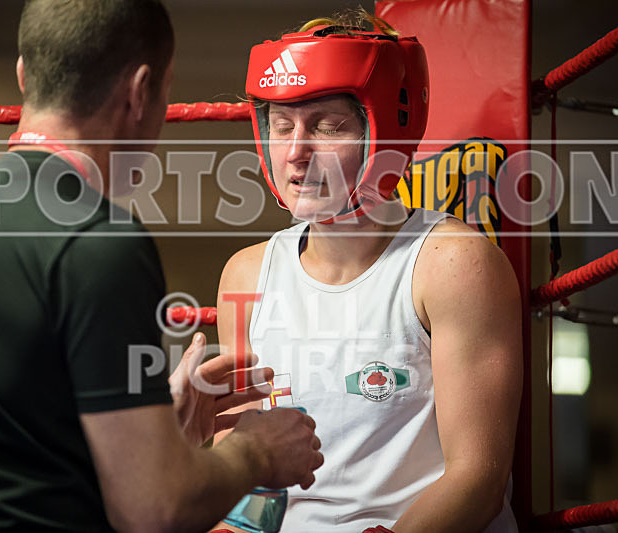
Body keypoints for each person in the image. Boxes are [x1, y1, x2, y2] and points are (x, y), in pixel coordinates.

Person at [0, 1, 323, 531]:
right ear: (139, 92)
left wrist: (162, 434)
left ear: (24, 76)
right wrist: (256, 451)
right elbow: (156, 510)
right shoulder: (95, 239)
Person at [215, 12, 522, 533]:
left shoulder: (450, 264)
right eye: (282, 126)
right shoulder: (247, 275)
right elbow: (245, 470)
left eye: (327, 126)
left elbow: (478, 482)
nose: (295, 154)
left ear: (386, 129)